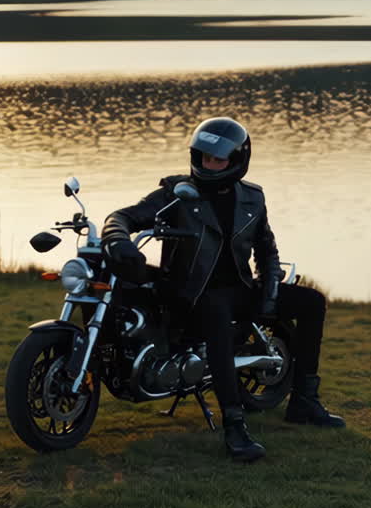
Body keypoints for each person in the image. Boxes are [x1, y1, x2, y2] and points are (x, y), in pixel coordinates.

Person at [100, 117, 344, 462]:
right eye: (203, 158)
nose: (209, 165)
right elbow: (122, 216)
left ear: (238, 159)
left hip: (240, 290)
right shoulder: (176, 194)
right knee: (216, 309)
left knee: (312, 303)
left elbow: (267, 250)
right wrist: (116, 239)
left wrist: (270, 293)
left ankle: (305, 400)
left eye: (218, 159)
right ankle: (234, 425)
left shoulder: (252, 199)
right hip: (189, 296)